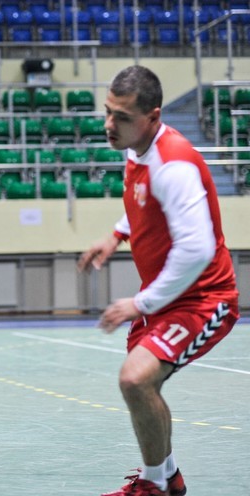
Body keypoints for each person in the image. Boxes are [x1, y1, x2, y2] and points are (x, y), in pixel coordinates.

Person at [78, 66, 239, 496]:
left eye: (123, 117)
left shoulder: (174, 164)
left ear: (153, 116)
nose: (110, 125)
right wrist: (116, 235)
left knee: (135, 379)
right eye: (108, 113)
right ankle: (168, 478)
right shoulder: (137, 148)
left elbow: (198, 249)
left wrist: (142, 303)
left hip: (205, 300)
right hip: (168, 300)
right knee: (141, 383)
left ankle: (154, 485)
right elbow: (145, 205)